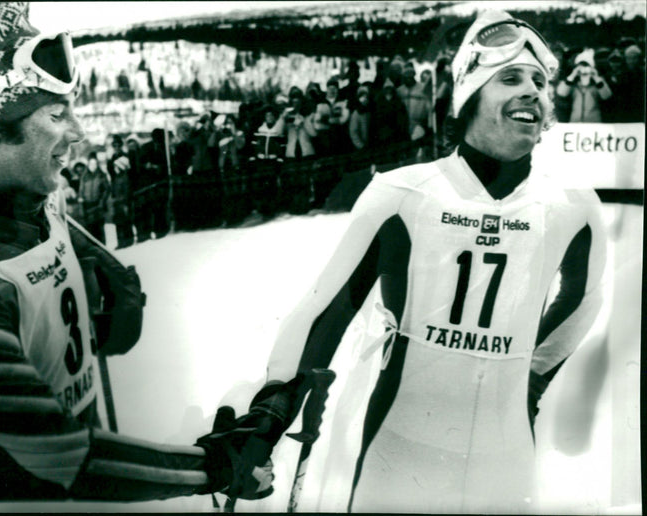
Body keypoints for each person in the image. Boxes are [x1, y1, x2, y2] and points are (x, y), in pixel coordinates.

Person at [220, 10, 606, 513]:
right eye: (509, 78)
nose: (533, 90)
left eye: (539, 80)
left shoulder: (573, 206)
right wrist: (267, 418)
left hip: (507, 463)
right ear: (469, 96)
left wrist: (528, 379)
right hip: (399, 455)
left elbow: (583, 301)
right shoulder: (402, 193)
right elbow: (325, 311)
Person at [0, 3, 271, 505]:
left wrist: (112, 296)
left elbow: (101, 299)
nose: (79, 132)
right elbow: (66, 456)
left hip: (95, 488)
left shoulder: (37, 209)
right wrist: (218, 465)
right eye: (56, 114)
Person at [555, 49, 612, 123]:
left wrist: (595, 77)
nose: (584, 69)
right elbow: (561, 93)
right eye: (581, 66)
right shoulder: (572, 83)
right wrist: (573, 75)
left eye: (586, 65)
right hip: (575, 122)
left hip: (594, 123)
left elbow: (606, 96)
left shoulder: (598, 82)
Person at [77, 152, 111, 242]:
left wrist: (101, 202)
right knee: (90, 229)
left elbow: (106, 190)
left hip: (98, 205)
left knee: (99, 228)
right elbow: (81, 191)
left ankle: (103, 246)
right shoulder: (84, 177)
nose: (93, 166)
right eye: (91, 164)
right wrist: (81, 203)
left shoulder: (101, 175)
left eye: (95, 163)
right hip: (88, 206)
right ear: (88, 164)